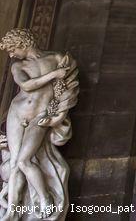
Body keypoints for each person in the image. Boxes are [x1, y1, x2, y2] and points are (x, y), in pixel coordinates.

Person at [0, 28, 78, 221]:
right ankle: (12, 211)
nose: (11, 55)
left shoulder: (58, 58)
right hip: (17, 114)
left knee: (23, 161)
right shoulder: (18, 67)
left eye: (12, 49)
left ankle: (45, 199)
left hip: (39, 117)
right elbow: (26, 86)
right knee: (15, 164)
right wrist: (54, 75)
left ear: (23, 43)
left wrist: (56, 117)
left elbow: (67, 92)